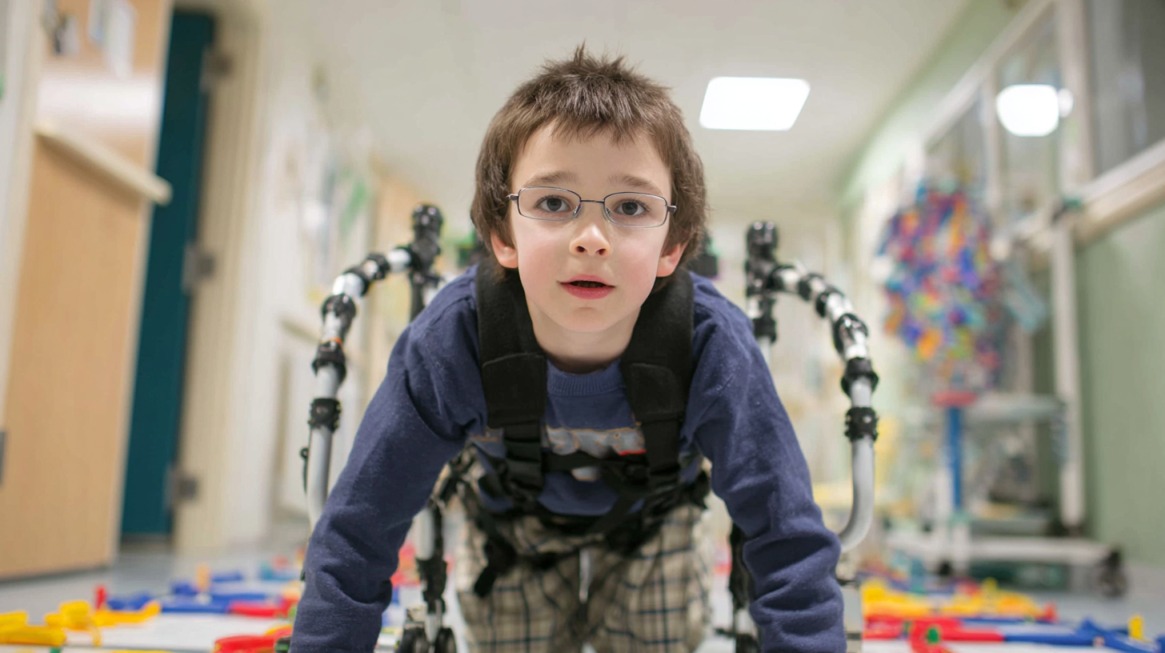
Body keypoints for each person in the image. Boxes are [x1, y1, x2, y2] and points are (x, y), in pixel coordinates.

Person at [291, 46, 843, 653]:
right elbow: (360, 527)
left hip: (655, 523)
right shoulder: (454, 340)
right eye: (553, 203)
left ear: (673, 247)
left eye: (630, 207)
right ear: (503, 235)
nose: (590, 239)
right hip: (510, 522)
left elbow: (787, 534)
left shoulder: (711, 344)